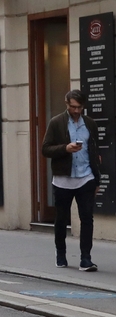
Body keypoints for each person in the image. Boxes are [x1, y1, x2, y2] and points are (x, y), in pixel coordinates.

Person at [42, 89, 101, 272]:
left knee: (87, 219)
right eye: (73, 107)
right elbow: (45, 149)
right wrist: (65, 148)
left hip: (85, 177)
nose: (76, 111)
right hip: (63, 180)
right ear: (66, 103)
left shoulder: (90, 124)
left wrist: (97, 179)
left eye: (80, 107)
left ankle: (86, 258)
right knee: (61, 219)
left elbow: (94, 152)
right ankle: (60, 253)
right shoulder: (56, 123)